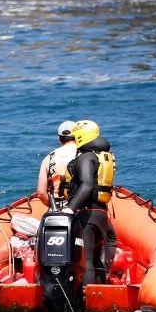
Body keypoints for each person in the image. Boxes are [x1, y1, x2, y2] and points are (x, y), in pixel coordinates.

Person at [61, 119, 117, 287]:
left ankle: (87, 303)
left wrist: (70, 209)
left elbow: (86, 185)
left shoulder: (86, 158)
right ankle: (99, 299)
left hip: (87, 214)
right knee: (97, 260)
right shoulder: (101, 156)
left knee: (87, 261)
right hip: (101, 214)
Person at [36, 120, 77, 202]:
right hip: (82, 206)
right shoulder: (86, 154)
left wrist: (53, 206)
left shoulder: (49, 158)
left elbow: (41, 193)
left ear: (59, 138)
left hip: (58, 205)